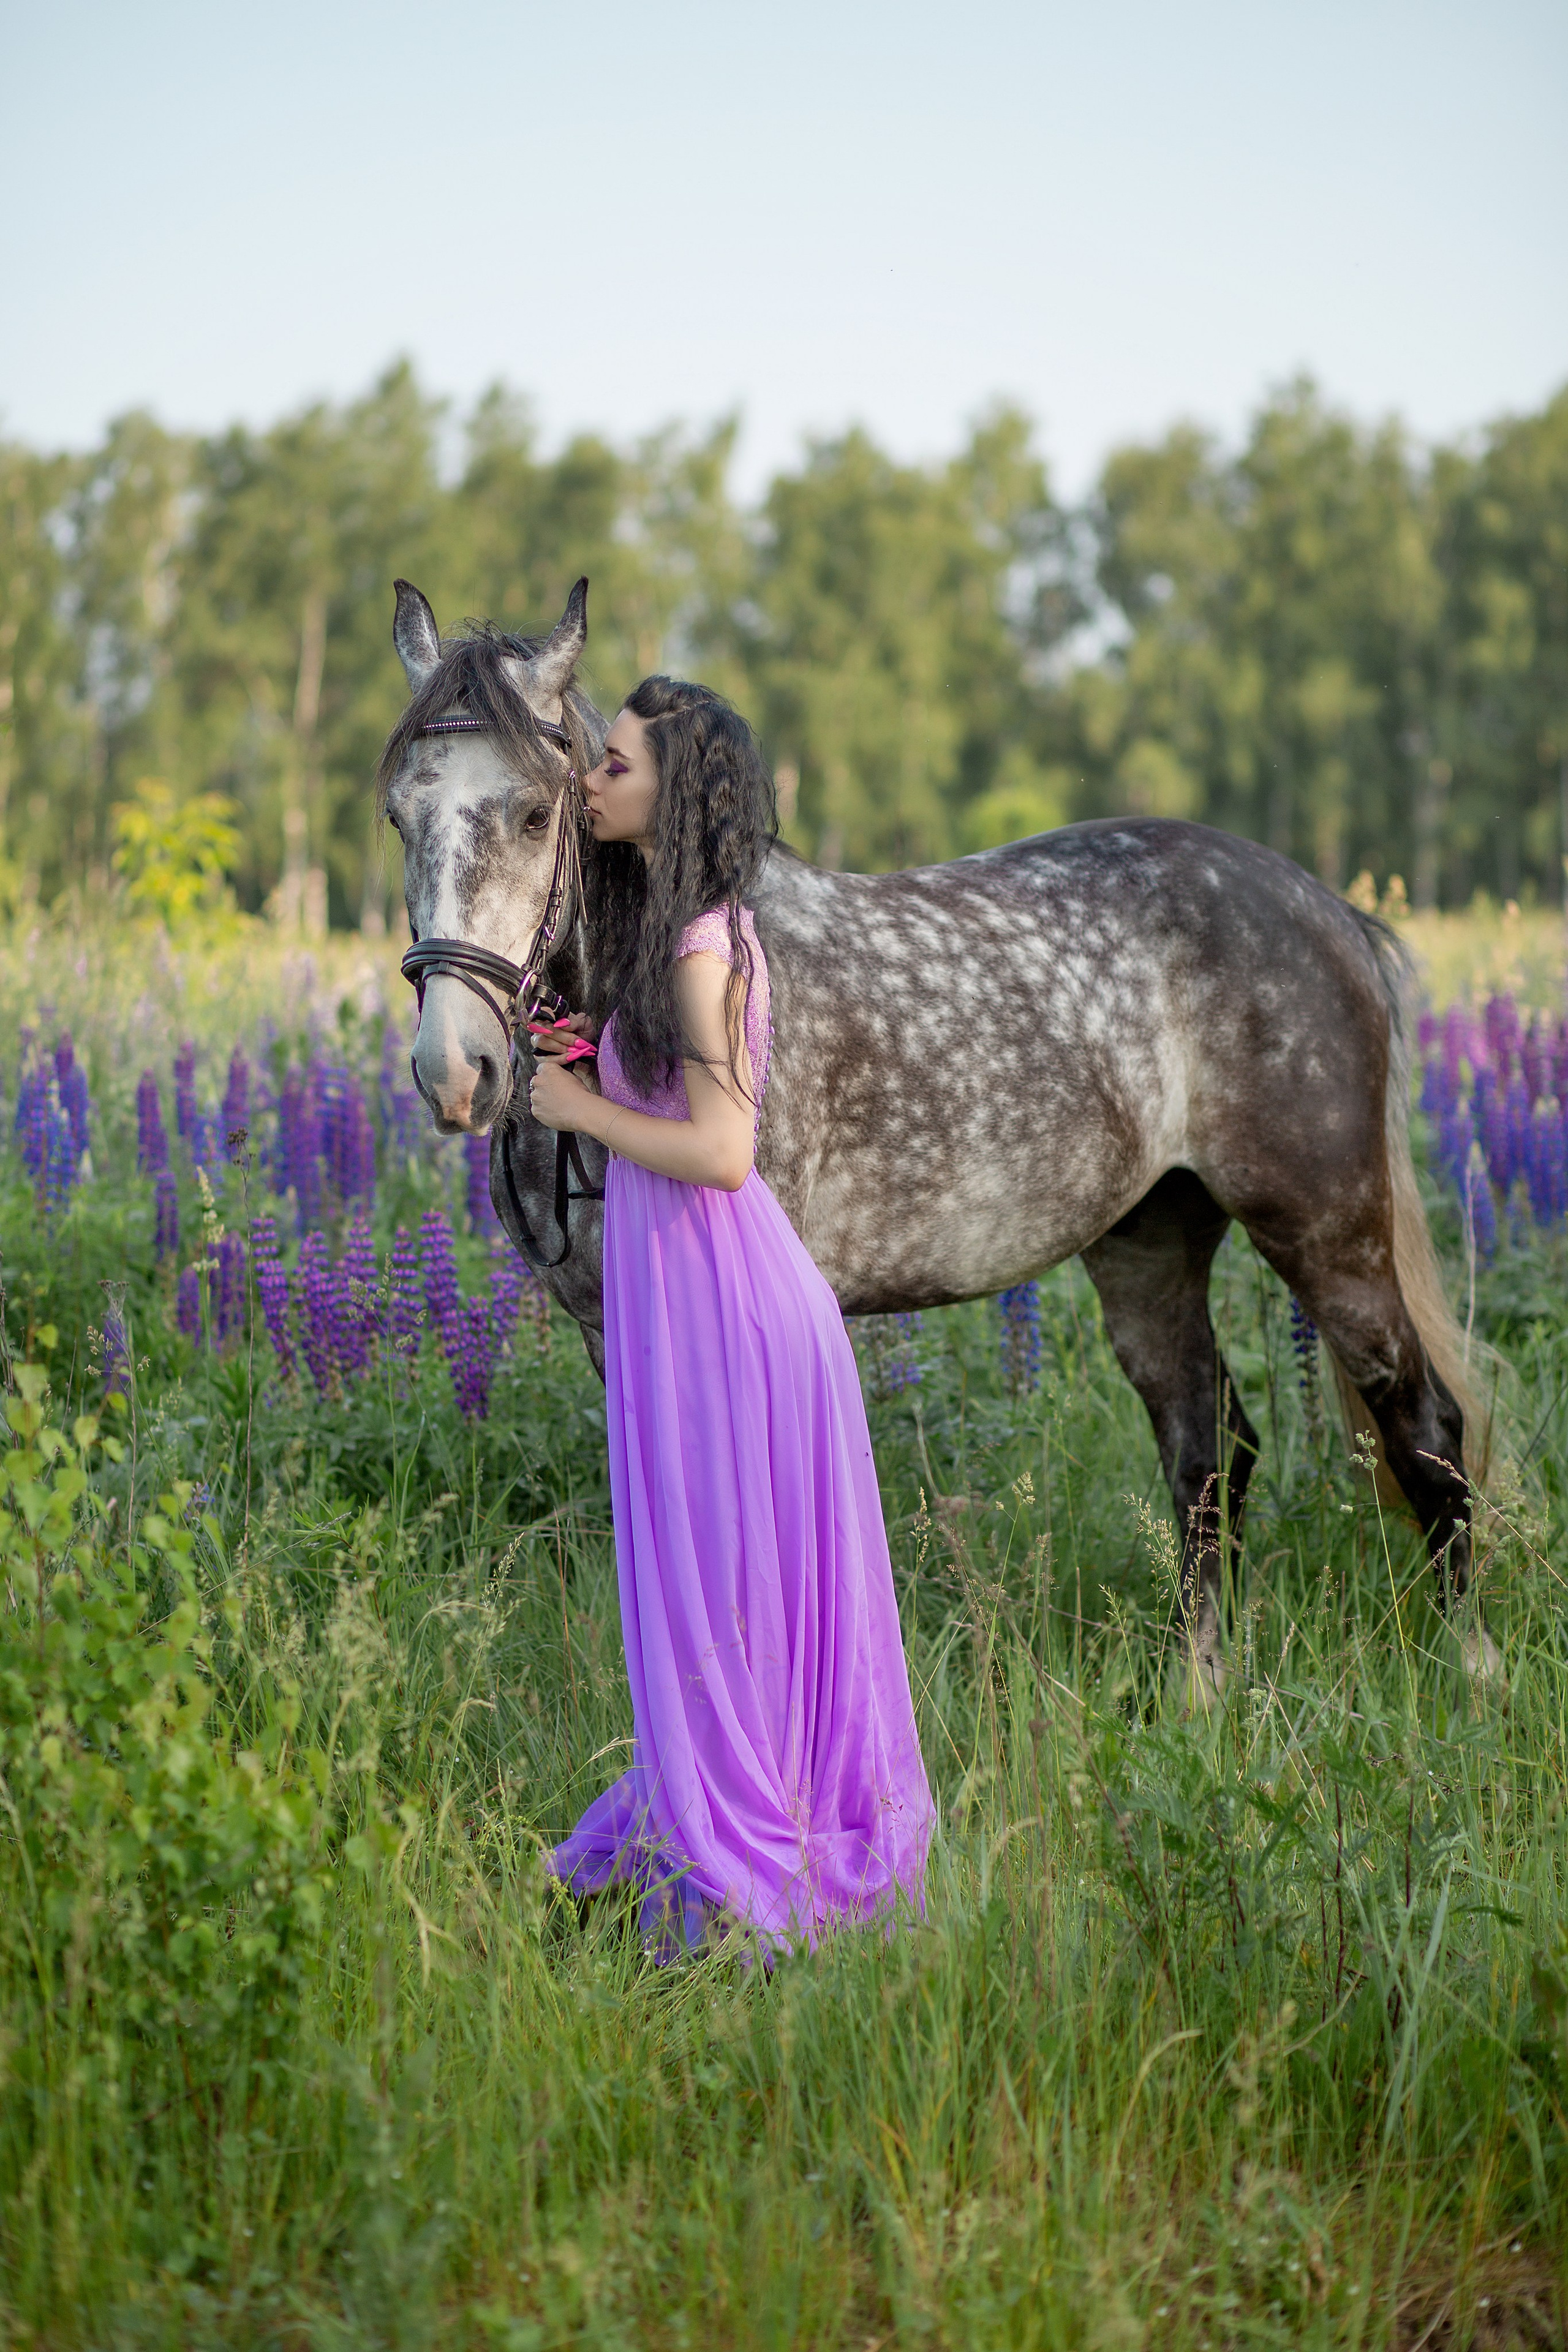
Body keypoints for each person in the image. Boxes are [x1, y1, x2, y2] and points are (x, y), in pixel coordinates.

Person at [529, 676, 934, 1955]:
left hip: (730, 1315)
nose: (593, 779)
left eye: (615, 766)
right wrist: (592, 1054)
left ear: (674, 796)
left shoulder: (705, 946)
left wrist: (577, 1108)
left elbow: (719, 1151)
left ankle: (744, 1855)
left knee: (721, 1598)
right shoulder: (674, 932)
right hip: (694, 1308)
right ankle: (719, 1820)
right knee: (715, 1596)